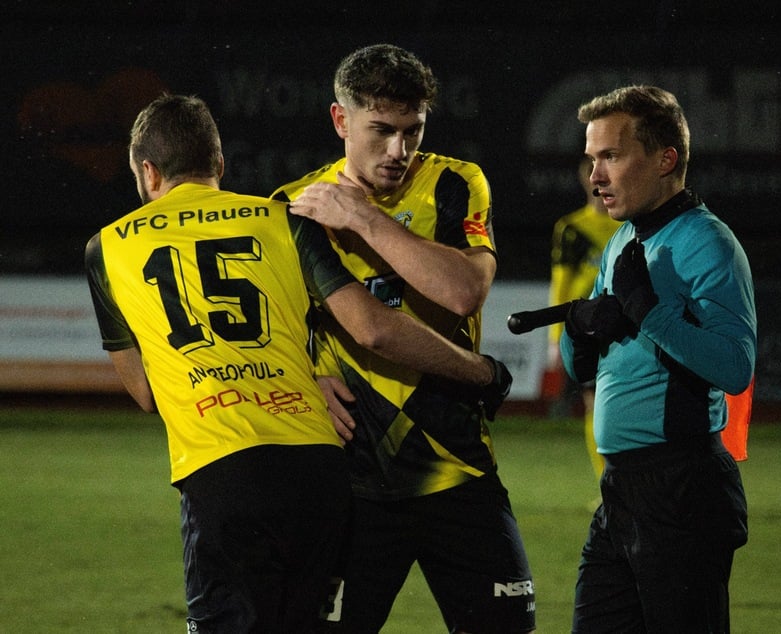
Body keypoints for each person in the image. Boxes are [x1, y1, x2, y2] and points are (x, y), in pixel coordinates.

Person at [84, 93, 512, 633]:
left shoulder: (107, 247)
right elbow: (373, 327)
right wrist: (480, 372)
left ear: (148, 173)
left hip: (221, 468)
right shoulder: (283, 220)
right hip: (318, 469)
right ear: (219, 165)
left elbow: (146, 394)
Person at [274, 44, 536, 633]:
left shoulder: (454, 184)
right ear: (341, 121)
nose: (399, 151)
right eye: (381, 131)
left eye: (413, 131)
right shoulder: (293, 208)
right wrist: (306, 378)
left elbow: (464, 290)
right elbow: (277, 333)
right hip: (352, 483)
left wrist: (365, 217)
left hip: (458, 467)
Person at [560, 85, 756, 632]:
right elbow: (581, 371)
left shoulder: (707, 242)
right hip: (621, 489)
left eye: (612, 156)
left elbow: (736, 367)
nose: (595, 175)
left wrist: (650, 314)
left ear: (666, 159)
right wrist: (579, 330)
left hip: (683, 489)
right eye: (591, 158)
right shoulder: (623, 240)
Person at [547, 156, 621, 478]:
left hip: (625, 326)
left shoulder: (629, 225)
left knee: (624, 408)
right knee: (595, 406)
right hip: (588, 327)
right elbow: (561, 281)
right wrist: (554, 337)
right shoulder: (571, 228)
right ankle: (606, 481)